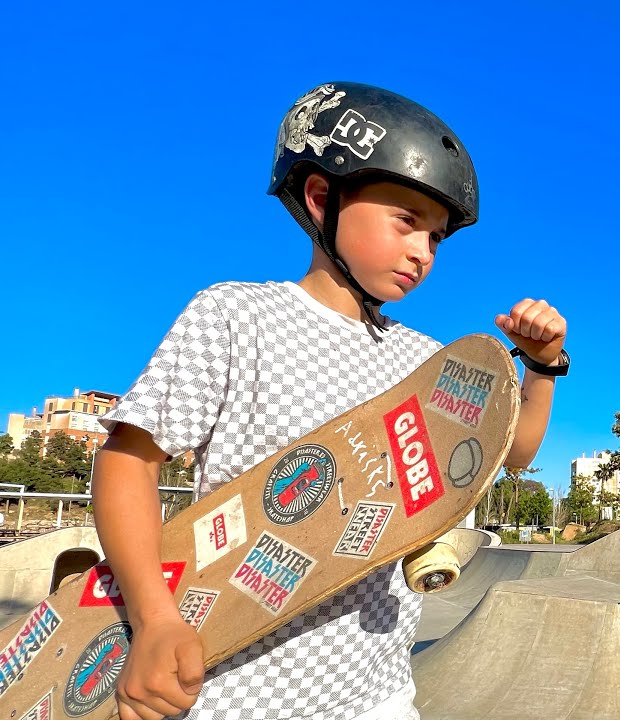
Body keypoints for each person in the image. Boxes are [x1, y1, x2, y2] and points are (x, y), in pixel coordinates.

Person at [92, 82, 570, 720]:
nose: (422, 253)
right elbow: (127, 462)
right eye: (407, 222)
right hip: (236, 693)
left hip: (380, 694)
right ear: (322, 198)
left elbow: (512, 453)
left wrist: (541, 367)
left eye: (436, 239)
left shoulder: (425, 362)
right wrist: (154, 620)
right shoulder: (236, 317)